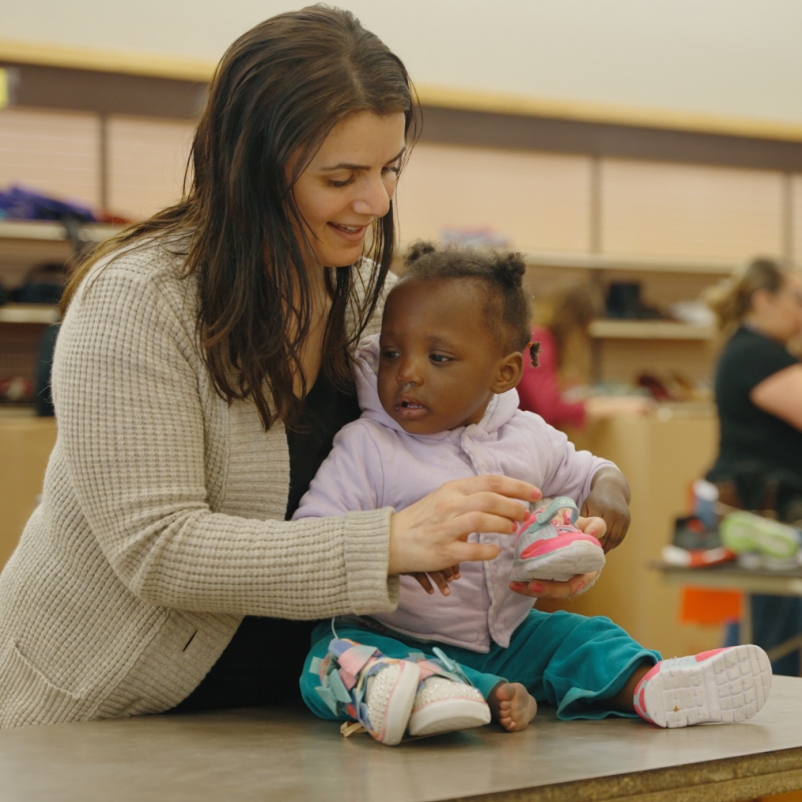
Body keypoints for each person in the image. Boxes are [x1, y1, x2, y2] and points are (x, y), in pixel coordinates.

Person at [0, 7, 551, 729]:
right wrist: (387, 541)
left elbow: (476, 435)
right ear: (250, 169)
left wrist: (554, 518)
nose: (376, 202)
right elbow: (158, 548)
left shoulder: (377, 302)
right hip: (99, 717)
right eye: (342, 176)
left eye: (389, 169)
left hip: (297, 710)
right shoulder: (137, 301)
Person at [292, 242, 772, 745]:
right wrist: (391, 550)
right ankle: (437, 691)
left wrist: (610, 497)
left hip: (509, 640)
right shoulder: (368, 444)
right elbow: (314, 536)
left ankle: (645, 686)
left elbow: (593, 471)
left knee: (579, 636)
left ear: (503, 372)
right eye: (392, 353)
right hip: (392, 634)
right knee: (330, 654)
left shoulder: (526, 436)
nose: (407, 372)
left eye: (438, 357)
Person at [705, 257, 802, 676]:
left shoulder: (756, 350)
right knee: (770, 641)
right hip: (766, 514)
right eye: (797, 298)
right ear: (764, 299)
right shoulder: (757, 353)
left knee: (765, 633)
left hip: (763, 511)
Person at [518, 282, 653, 427]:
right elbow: (550, 408)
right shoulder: (538, 342)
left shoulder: (536, 338)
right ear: (575, 324)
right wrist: (609, 406)